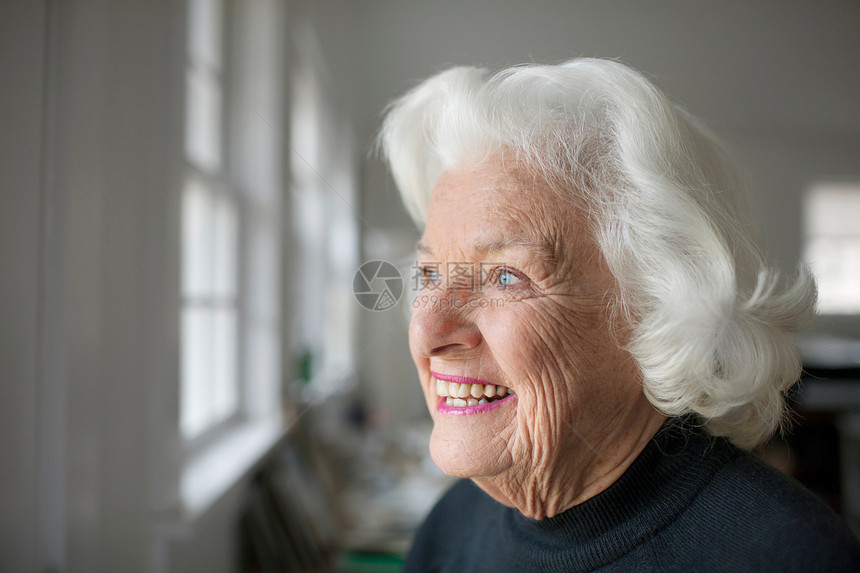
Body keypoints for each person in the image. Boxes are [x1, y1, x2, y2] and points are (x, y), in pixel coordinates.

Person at [378, 59, 860, 572]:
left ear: (659, 310)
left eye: (505, 277)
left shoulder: (787, 557)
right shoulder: (449, 530)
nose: (427, 331)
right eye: (429, 274)